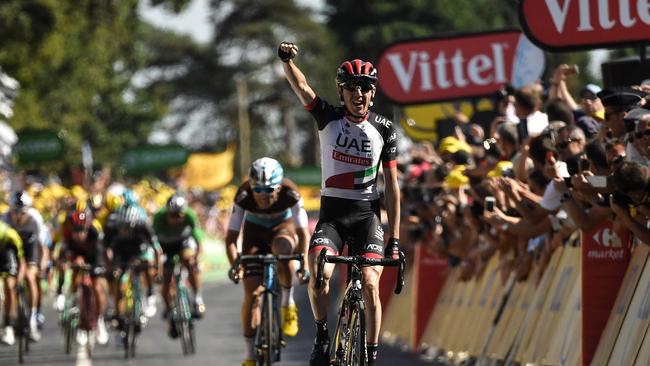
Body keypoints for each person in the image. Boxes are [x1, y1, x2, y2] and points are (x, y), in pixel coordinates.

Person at [279, 42, 401, 366]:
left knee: (372, 285)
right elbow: (302, 87)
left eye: (364, 88)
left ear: (372, 94)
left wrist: (395, 240)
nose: (358, 94)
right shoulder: (328, 117)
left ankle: (371, 355)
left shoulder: (385, 130)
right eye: (351, 88)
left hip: (367, 219)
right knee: (320, 274)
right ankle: (321, 335)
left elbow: (393, 190)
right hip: (332, 218)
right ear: (341, 92)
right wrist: (287, 62)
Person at [225, 157, 310, 366]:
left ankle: (288, 303)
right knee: (252, 296)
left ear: (279, 187)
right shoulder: (243, 194)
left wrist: (304, 263)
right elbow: (231, 239)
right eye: (258, 190)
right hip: (254, 234)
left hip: (283, 227)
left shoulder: (291, 193)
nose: (262, 196)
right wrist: (235, 264)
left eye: (268, 190)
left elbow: (303, 233)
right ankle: (249, 356)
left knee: (283, 250)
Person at [104, 203, 162, 336]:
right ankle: (119, 313)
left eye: (128, 227)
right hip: (121, 253)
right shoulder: (112, 228)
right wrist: (110, 268)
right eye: (122, 227)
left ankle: (150, 294)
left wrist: (158, 271)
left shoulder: (143, 227)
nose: (125, 230)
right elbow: (106, 250)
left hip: (139, 251)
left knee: (146, 263)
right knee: (118, 280)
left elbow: (157, 250)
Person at [153, 192, 205, 338]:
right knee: (166, 277)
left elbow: (199, 241)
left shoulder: (189, 215)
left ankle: (197, 298)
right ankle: (169, 308)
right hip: (165, 246)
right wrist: (158, 268)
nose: (176, 219)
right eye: (172, 216)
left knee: (189, 261)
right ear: (167, 213)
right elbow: (154, 246)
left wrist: (197, 259)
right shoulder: (158, 218)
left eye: (179, 216)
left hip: (184, 242)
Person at [59, 205, 109, 345]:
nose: (79, 234)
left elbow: (101, 254)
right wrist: (64, 262)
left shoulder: (95, 232)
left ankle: (99, 321)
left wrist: (100, 268)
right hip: (76, 255)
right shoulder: (67, 234)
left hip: (93, 257)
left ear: (87, 228)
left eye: (82, 230)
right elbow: (62, 254)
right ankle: (71, 302)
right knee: (74, 276)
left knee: (98, 287)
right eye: (75, 230)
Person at [2, 191, 49, 341]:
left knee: (30, 276)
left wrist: (42, 264)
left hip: (30, 247)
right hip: (11, 249)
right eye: (15, 212)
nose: (18, 216)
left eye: (22, 213)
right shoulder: (4, 220)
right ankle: (8, 324)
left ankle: (33, 318)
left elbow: (42, 246)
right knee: (9, 284)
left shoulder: (35, 219)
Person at [0, 221, 25, 345]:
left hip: (6, 252)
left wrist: (19, 279)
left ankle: (9, 325)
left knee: (10, 286)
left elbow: (21, 259)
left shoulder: (10, 234)